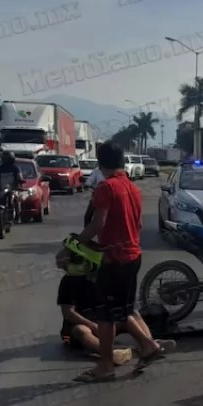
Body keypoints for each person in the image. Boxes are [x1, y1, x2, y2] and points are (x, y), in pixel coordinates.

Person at [64, 142, 174, 383]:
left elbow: (98, 224)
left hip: (114, 259)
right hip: (133, 256)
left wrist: (73, 244)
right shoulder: (132, 188)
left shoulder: (106, 187)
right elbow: (138, 224)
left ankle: (106, 366)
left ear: (100, 162)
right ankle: (149, 346)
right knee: (123, 311)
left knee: (106, 316)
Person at [57, 271, 133, 366]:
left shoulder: (107, 277)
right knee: (81, 330)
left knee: (130, 316)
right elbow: (68, 313)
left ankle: (147, 344)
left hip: (102, 323)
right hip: (71, 333)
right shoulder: (69, 280)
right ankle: (111, 354)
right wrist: (93, 326)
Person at [0, 152, 23, 239]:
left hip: (12, 189)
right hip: (1, 190)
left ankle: (17, 215)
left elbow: (19, 177)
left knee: (16, 199)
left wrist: (20, 182)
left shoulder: (15, 168)